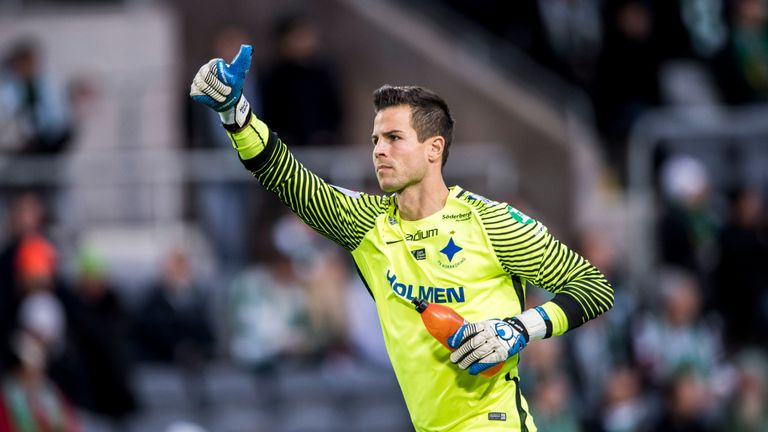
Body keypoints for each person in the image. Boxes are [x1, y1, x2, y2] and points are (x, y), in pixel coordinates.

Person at [189, 45, 614, 431]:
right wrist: (235, 113)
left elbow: (594, 286)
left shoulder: (493, 222)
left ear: (434, 149)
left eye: (394, 138)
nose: (378, 150)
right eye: (375, 139)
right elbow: (285, 177)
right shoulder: (365, 223)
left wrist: (519, 329)